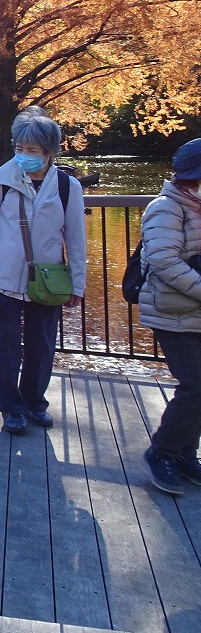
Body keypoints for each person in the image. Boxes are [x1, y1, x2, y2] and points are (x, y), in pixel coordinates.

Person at [0, 107, 86, 435]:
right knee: (1, 346)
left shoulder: (67, 186)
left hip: (48, 281)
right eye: (19, 148)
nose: (23, 155)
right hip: (1, 278)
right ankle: (11, 408)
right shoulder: (0, 179)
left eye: (31, 150)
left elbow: (76, 238)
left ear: (49, 152)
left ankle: (34, 402)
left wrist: (77, 284)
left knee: (42, 345)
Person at [139, 137, 201, 494]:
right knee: (196, 385)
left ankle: (184, 454)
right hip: (171, 312)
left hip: (195, 312)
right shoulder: (166, 208)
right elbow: (164, 261)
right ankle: (161, 452)